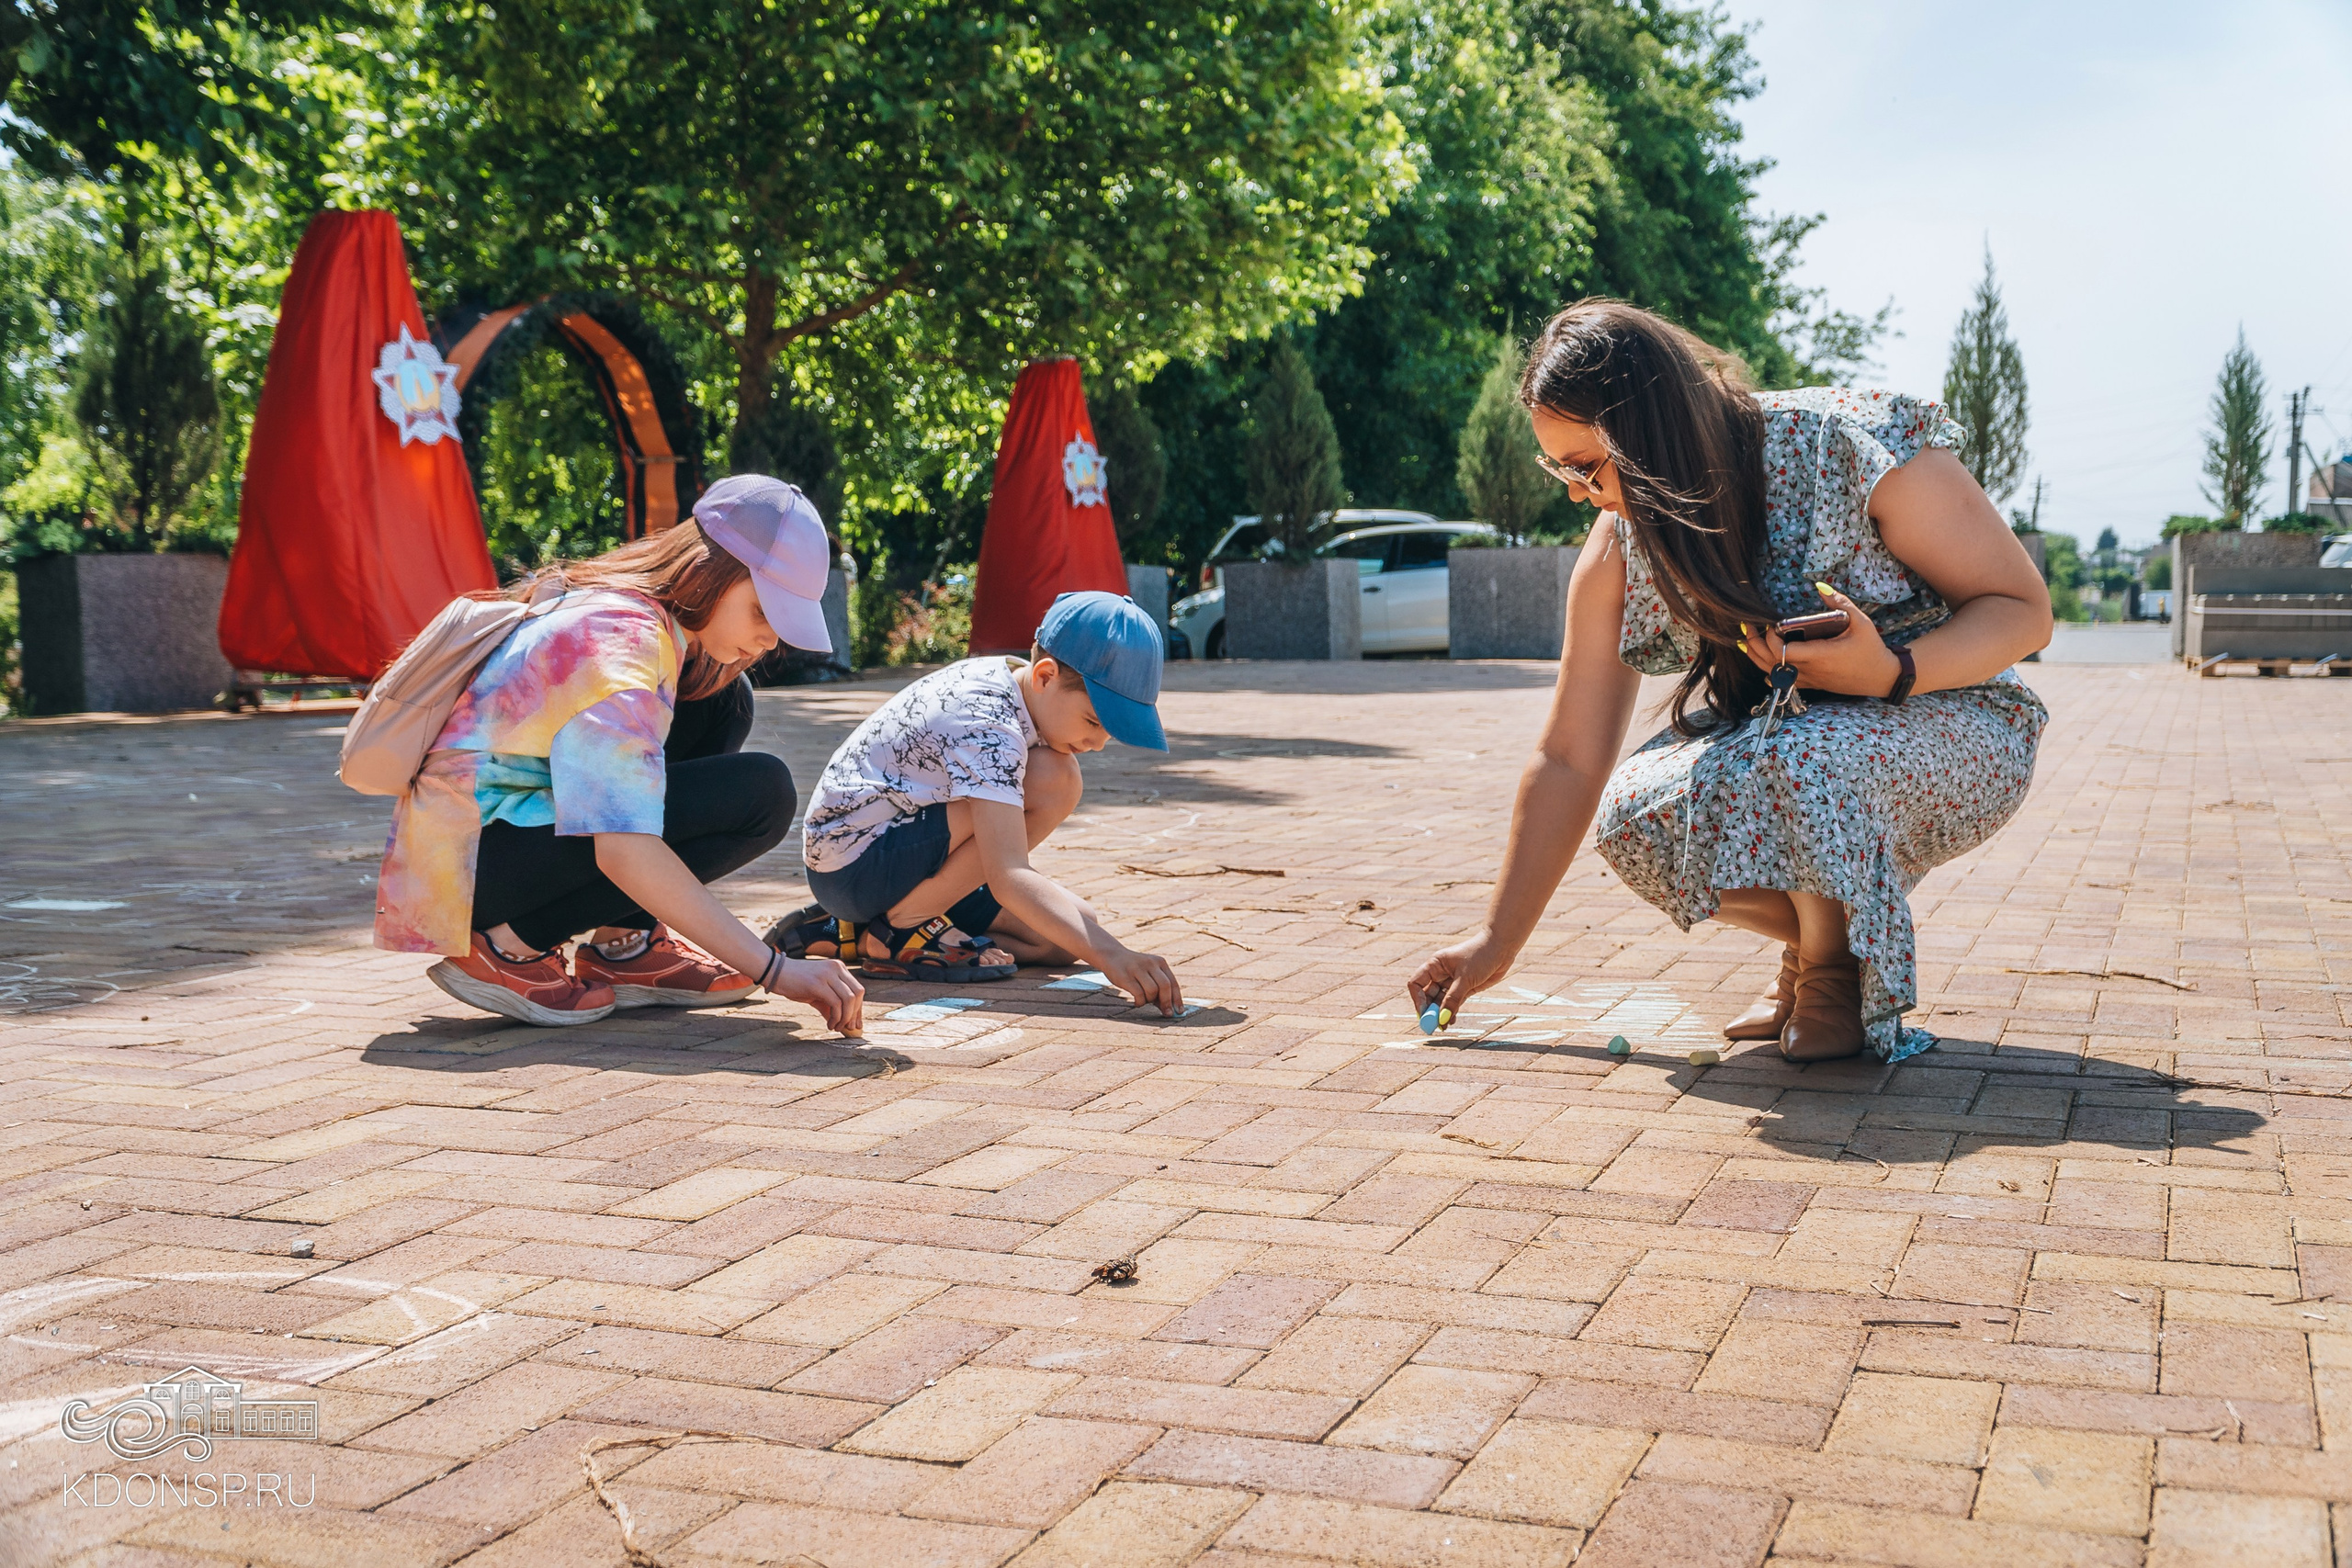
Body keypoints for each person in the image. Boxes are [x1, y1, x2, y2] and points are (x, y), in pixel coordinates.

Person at [1409, 299, 2052, 1062]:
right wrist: (1496, 941)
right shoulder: (1624, 541)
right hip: (1807, 749)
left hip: (1962, 717)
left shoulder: (1843, 445)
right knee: (1634, 809)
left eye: (1584, 468)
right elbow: (1571, 757)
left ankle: (1828, 976)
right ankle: (1828, 950)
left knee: (1797, 755)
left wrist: (1891, 670)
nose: (1578, 494)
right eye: (1561, 470)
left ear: (1648, 434)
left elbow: (2024, 610)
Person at [374, 474, 864, 1034]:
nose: (773, 639)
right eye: (762, 610)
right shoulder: (623, 646)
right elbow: (624, 850)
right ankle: (506, 948)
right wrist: (774, 969)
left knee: (724, 697)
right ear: (708, 572)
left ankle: (625, 945)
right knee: (762, 793)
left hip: (490, 843)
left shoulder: (638, 615)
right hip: (467, 877)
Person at [770, 591, 1184, 1014]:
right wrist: (1114, 955)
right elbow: (1008, 875)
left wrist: (1101, 947)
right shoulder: (987, 724)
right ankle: (901, 927)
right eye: (1095, 722)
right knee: (1051, 779)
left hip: (896, 857)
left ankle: (860, 931)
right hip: (853, 867)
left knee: (1058, 938)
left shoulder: (1017, 686)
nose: (1097, 743)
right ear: (1045, 676)